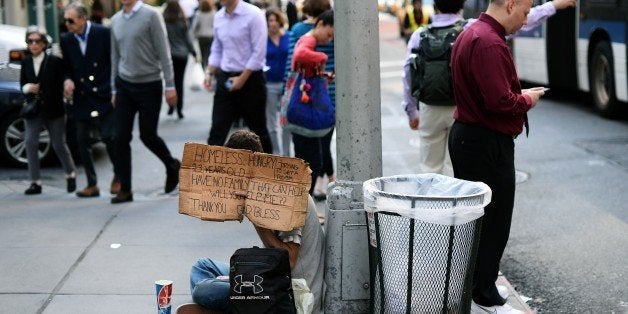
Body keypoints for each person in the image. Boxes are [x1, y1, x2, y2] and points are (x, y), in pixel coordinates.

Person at [447, 0, 571, 312]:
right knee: (494, 220)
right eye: (527, 11)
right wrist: (527, 99)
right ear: (511, 5)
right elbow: (500, 102)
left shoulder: (471, 32)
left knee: (478, 218)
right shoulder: (489, 42)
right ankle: (484, 293)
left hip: (470, 136)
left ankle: (477, 286)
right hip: (486, 141)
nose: (527, 19)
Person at [402, 0, 576, 177]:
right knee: (454, 172)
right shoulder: (472, 29)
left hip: (431, 108)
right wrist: (554, 5)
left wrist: (411, 111)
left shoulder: (420, 34)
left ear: (435, 7)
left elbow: (408, 72)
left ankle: (433, 202)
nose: (524, 19)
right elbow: (524, 20)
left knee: (430, 167)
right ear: (461, 6)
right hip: (460, 106)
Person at [189, 130, 326, 314]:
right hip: (269, 275)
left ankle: (244, 305)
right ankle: (243, 305)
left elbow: (289, 261)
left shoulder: (288, 196)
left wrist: (254, 215)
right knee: (202, 266)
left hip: (293, 292)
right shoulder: (260, 187)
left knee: (203, 290)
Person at [110, 0, 181, 204]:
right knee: (120, 137)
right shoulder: (115, 20)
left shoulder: (151, 15)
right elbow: (115, 56)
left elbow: (163, 51)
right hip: (124, 85)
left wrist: (170, 85)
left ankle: (172, 165)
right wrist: (114, 88)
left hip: (149, 84)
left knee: (148, 134)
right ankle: (125, 188)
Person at [61, 2, 119, 198]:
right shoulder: (67, 39)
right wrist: (67, 79)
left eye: (71, 20)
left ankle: (118, 177)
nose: (67, 24)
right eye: (65, 20)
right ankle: (91, 184)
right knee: (81, 140)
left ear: (83, 18)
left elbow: (113, 61)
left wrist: (113, 89)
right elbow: (66, 66)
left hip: (103, 93)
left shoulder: (103, 33)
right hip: (81, 97)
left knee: (110, 138)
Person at [203, 0, 272, 153]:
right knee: (216, 132)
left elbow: (259, 52)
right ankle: (208, 175)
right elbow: (217, 48)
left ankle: (267, 176)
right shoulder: (219, 16)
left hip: (251, 79)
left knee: (258, 132)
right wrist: (209, 72)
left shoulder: (254, 14)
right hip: (225, 78)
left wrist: (242, 79)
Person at [283, 0, 335, 199]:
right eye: (329, 34)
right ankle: (304, 211)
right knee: (311, 162)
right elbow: (300, 54)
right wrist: (321, 58)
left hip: (301, 108)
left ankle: (304, 210)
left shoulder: (308, 39)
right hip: (305, 109)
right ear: (320, 24)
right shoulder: (308, 41)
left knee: (307, 161)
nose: (329, 40)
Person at [20, 26, 77, 195]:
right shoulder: (25, 62)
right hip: (33, 109)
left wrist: (67, 83)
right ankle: (35, 182)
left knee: (59, 144)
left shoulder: (54, 61)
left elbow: (65, 74)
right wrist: (28, 87)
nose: (34, 44)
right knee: (30, 142)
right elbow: (21, 84)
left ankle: (70, 173)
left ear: (44, 44)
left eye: (37, 41)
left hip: (54, 109)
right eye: (30, 41)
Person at [164, 0, 198, 119]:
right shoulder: (182, 21)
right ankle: (179, 109)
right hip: (182, 55)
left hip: (169, 56)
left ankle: (170, 106)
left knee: (170, 82)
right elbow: (188, 39)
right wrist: (194, 53)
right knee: (179, 83)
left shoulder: (164, 21)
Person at [265, 8, 290, 155]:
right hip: (269, 83)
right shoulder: (262, 38)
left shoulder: (288, 36)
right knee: (272, 122)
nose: (272, 23)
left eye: (274, 20)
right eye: (269, 20)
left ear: (279, 21)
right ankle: (276, 153)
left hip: (287, 84)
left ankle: (287, 155)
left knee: (286, 122)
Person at [190, 0, 216, 71]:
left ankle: (204, 69)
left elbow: (195, 26)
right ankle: (207, 68)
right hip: (210, 36)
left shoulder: (199, 14)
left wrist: (193, 35)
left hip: (201, 37)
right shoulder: (213, 13)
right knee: (208, 53)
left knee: (202, 54)